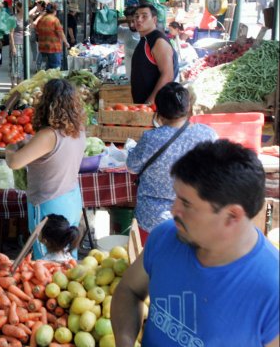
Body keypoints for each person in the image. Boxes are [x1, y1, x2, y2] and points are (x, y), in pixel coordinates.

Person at [111, 140, 279, 347]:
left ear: (232, 216)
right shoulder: (165, 237)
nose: (173, 210)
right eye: (177, 198)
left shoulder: (272, 289)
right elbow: (129, 290)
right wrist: (125, 340)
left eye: (187, 204)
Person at [5, 78, 86, 259]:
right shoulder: (78, 129)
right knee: (66, 260)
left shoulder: (48, 135)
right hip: (71, 198)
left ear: (46, 103)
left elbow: (15, 162)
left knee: (47, 264)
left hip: (50, 203)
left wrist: (10, 148)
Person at [126, 83, 217, 242]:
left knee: (154, 264)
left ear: (159, 112)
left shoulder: (151, 138)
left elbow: (131, 167)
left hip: (153, 220)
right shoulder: (207, 134)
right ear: (188, 107)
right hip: (195, 218)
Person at [131, 2, 178, 104]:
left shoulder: (158, 41)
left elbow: (168, 75)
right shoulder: (145, 39)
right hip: (143, 108)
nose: (139, 19)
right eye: (137, 16)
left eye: (144, 16)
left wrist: (149, 104)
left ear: (154, 20)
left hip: (154, 109)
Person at [35, 3, 70, 70]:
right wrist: (66, 43)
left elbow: (37, 31)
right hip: (54, 47)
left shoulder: (41, 20)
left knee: (46, 69)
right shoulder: (55, 20)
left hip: (43, 48)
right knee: (55, 68)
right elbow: (60, 33)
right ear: (54, 11)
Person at [118, 6, 140, 79]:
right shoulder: (126, 32)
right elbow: (111, 28)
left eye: (133, 21)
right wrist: (124, 20)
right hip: (129, 79)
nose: (131, 25)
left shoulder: (148, 36)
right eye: (128, 22)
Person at [9, 1, 25, 85]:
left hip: (24, 44)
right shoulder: (14, 18)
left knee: (21, 65)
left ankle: (19, 84)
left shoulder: (26, 17)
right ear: (18, 8)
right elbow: (11, 33)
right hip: (16, 43)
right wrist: (13, 46)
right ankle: (13, 84)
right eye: (23, 6)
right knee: (14, 64)